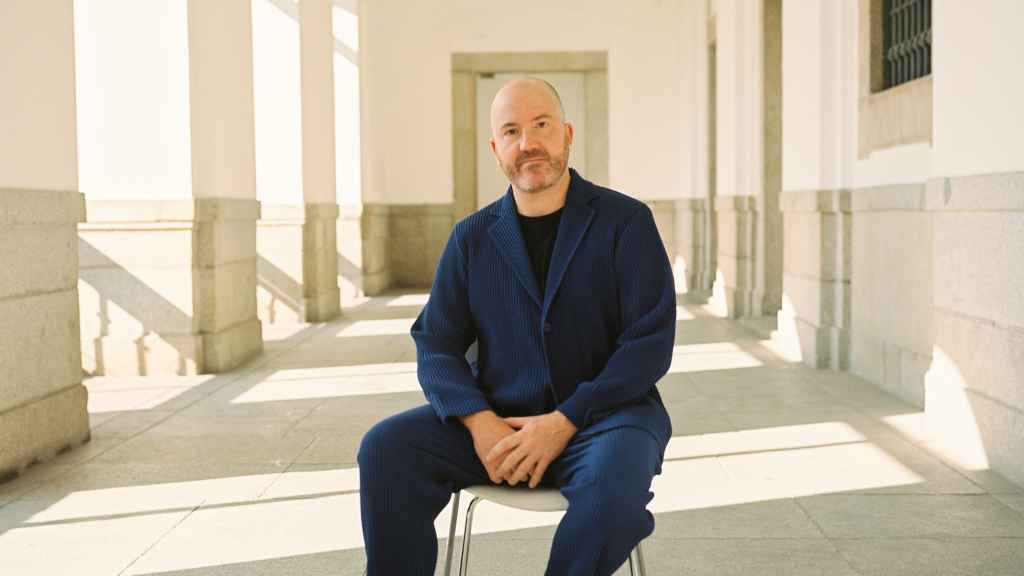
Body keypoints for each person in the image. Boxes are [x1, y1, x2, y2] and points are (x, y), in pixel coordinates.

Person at [358, 78, 675, 575]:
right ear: (495, 148)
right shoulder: (471, 237)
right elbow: (435, 342)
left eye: (541, 125)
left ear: (567, 133)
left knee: (612, 492)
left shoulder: (626, 222)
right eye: (511, 131)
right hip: (501, 423)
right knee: (386, 448)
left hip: (607, 420)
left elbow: (649, 344)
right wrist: (477, 421)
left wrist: (566, 418)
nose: (527, 143)